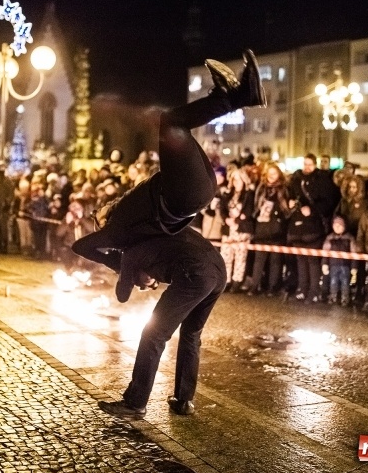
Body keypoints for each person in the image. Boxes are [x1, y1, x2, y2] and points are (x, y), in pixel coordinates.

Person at [72, 49, 266, 266]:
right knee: (170, 122)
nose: (98, 210)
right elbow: (80, 246)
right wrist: (115, 261)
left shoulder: (123, 210)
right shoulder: (118, 232)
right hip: (182, 197)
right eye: (96, 217)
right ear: (103, 225)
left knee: (180, 127)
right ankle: (235, 97)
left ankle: (228, 96)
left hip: (193, 192)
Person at [97, 227, 226, 418]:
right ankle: (184, 401)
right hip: (218, 271)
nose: (144, 285)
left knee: (153, 334)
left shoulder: (132, 253)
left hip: (194, 274)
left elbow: (122, 295)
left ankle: (135, 403)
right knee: (191, 334)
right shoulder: (161, 231)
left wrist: (125, 271)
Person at [247, 162, 291, 296]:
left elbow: (286, 210)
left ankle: (272, 287)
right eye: (270, 173)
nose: (272, 176)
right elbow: (255, 208)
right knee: (259, 260)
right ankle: (255, 286)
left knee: (275, 261)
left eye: (275, 173)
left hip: (277, 228)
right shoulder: (261, 188)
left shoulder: (283, 189)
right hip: (262, 228)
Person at [219, 168, 255, 292]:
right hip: (228, 229)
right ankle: (226, 281)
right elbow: (222, 209)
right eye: (234, 180)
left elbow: (249, 211)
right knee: (226, 256)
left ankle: (236, 281)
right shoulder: (228, 194)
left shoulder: (248, 195)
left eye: (239, 180)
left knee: (240, 257)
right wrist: (226, 219)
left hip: (242, 229)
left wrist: (238, 220)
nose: (236, 182)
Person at [322, 216, 358, 307]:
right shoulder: (330, 238)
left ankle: (345, 299)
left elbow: (354, 253)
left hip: (346, 266)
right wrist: (324, 264)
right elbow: (325, 252)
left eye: (339, 225)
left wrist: (354, 267)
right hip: (333, 265)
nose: (337, 227)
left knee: (345, 282)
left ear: (344, 226)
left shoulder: (350, 238)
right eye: (335, 225)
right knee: (333, 282)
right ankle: (333, 297)